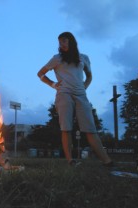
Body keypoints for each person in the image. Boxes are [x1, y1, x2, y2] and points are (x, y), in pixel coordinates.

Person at [37, 31, 113, 167]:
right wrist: (53, 84)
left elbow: (89, 76)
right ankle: (70, 161)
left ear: (71, 41)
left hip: (81, 95)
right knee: (66, 128)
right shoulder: (57, 58)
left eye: (64, 41)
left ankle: (107, 161)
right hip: (64, 94)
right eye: (59, 42)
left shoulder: (84, 58)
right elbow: (40, 73)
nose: (61, 44)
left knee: (90, 128)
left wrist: (84, 87)